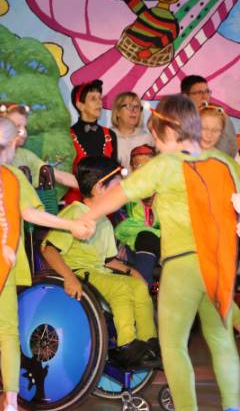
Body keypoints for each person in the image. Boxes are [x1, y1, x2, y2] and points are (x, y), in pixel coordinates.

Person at [80, 94, 240, 411]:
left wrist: (86, 217)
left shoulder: (167, 164)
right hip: (220, 266)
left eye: (156, 136)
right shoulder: (223, 162)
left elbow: (120, 194)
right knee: (220, 337)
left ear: (170, 131)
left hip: (183, 265)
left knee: (173, 343)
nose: (154, 144)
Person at [0, 116, 92, 411]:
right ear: (12, 144)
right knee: (9, 334)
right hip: (1, 267)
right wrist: (70, 224)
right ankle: (11, 406)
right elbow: (32, 214)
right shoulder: (12, 176)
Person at [42, 156, 159, 367]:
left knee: (139, 286)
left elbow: (108, 260)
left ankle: (148, 342)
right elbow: (49, 250)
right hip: (78, 271)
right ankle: (126, 345)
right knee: (121, 289)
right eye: (117, 186)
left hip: (98, 272)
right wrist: (68, 277)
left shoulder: (104, 221)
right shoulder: (74, 213)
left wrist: (132, 271)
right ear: (99, 188)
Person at [198, 103, 240, 370]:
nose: (208, 134)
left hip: (221, 238)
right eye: (203, 128)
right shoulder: (184, 159)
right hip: (192, 237)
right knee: (206, 295)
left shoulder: (227, 163)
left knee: (214, 294)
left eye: (215, 130)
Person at [0, 102, 77, 188]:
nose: (24, 133)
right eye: (17, 126)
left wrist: (84, 186)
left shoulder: (25, 155)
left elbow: (59, 175)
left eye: (25, 127)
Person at [65, 80, 118, 203]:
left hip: (105, 202)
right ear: (80, 105)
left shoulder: (110, 135)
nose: (100, 102)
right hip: (77, 202)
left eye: (100, 98)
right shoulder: (67, 135)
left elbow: (115, 171)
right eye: (93, 99)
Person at [114, 145, 161, 285]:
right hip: (132, 242)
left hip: (162, 241)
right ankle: (142, 287)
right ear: (131, 167)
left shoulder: (165, 190)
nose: (142, 169)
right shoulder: (125, 192)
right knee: (145, 237)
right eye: (137, 164)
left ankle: (143, 287)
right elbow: (122, 224)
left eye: (147, 165)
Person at [181, 74, 238, 150]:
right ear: (185, 97)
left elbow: (232, 146)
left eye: (207, 92)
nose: (205, 96)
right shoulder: (176, 120)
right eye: (199, 92)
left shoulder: (220, 115)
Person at [110, 92, 154, 170]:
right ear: (117, 112)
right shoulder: (107, 139)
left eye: (137, 107)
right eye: (129, 106)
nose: (134, 110)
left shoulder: (148, 139)